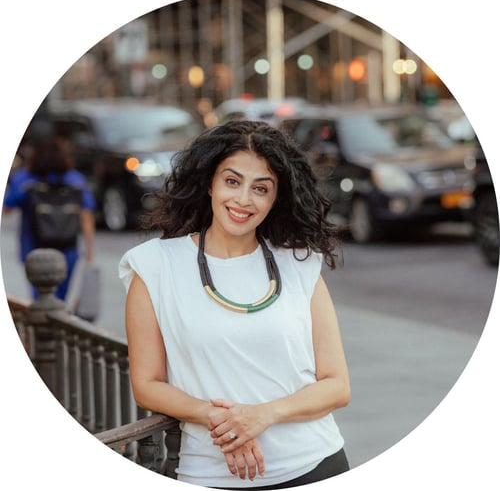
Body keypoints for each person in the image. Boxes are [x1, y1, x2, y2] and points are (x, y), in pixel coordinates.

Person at [119, 120, 351, 489]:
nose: (243, 200)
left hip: (316, 464)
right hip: (209, 473)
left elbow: (337, 386)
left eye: (261, 189)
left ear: (276, 199)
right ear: (209, 182)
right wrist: (220, 420)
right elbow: (147, 384)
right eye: (232, 181)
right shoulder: (154, 265)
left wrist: (264, 415)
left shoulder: (298, 265)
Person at [3, 136, 96, 300]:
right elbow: (86, 214)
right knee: (61, 297)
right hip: (68, 248)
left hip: (33, 247)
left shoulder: (25, 178)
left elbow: (7, 208)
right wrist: (89, 249)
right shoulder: (75, 179)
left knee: (40, 297)